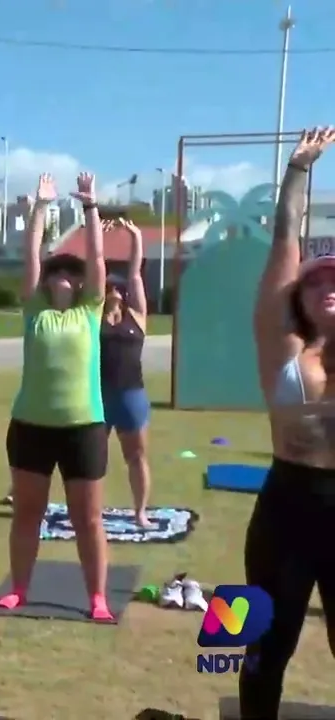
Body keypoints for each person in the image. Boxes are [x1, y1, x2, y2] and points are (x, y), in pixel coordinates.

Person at [238, 126, 335, 719]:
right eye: (316, 278)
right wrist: (298, 172)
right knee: (265, 647)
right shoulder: (282, 345)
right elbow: (284, 243)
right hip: (287, 506)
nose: (325, 284)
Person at [0, 172, 112, 622]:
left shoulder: (90, 311)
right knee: (27, 514)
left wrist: (89, 207)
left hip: (84, 428)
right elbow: (30, 254)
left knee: (89, 520)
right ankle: (19, 590)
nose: (63, 276)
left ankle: (97, 598)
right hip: (31, 427)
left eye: (71, 272)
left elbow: (98, 259)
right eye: (56, 270)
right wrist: (41, 207)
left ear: (81, 284)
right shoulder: (34, 311)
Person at [100, 218, 153, 527]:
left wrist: (134, 236)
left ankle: (140, 511)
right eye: (112, 287)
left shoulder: (138, 316)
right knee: (94, 458)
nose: (118, 290)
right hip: (98, 394)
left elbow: (134, 273)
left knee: (136, 457)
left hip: (132, 394)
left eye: (121, 287)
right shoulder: (94, 316)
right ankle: (91, 508)